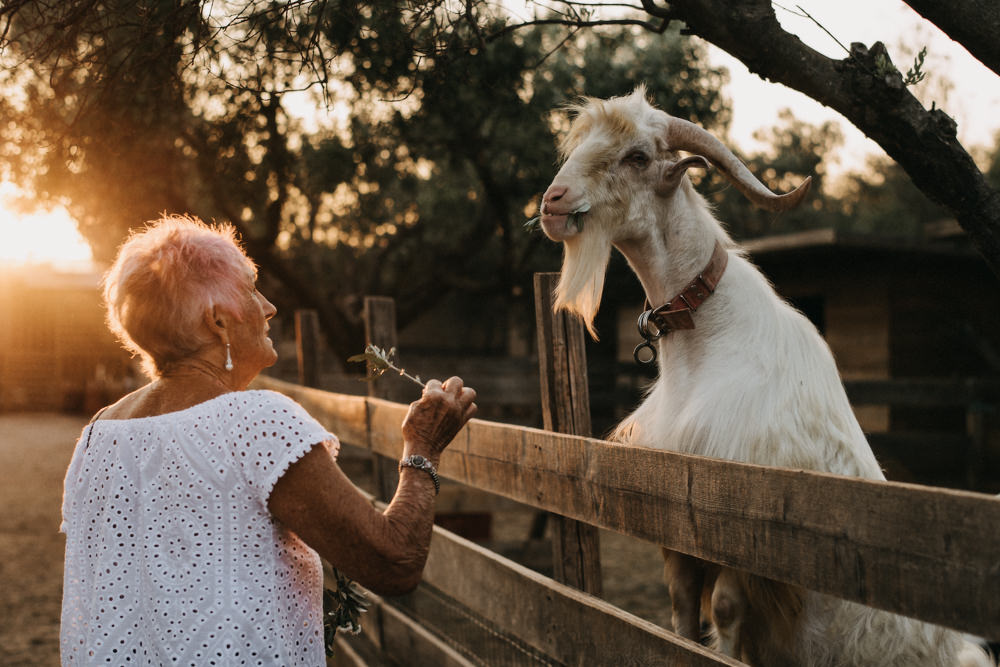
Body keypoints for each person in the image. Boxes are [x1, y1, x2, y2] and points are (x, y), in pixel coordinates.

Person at [59, 214, 477, 666]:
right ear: (218, 322)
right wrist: (423, 448)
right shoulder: (256, 420)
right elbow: (394, 561)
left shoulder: (99, 434)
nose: (269, 306)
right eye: (250, 289)